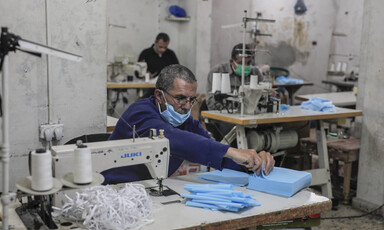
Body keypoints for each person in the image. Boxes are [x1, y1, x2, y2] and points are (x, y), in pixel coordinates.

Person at [102, 64, 275, 184]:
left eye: (191, 100)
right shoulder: (139, 113)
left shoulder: (186, 122)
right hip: (115, 188)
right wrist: (232, 151)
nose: (186, 106)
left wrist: (253, 163)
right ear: (159, 95)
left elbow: (212, 151)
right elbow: (171, 139)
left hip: (148, 189)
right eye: (180, 98)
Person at [205, 43, 264, 111]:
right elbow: (210, 102)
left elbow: (264, 93)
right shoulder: (217, 72)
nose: (245, 66)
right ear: (231, 62)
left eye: (248, 63)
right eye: (241, 63)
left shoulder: (255, 73)